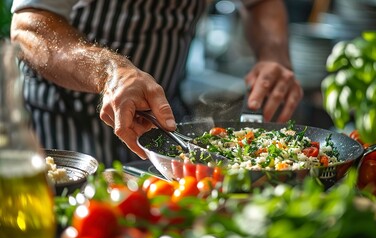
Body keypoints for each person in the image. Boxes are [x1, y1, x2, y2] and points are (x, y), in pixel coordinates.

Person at [10, 0, 303, 167]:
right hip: (61, 129)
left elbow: (260, 3)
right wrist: (107, 71)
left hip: (163, 127)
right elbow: (29, 27)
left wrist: (273, 55)